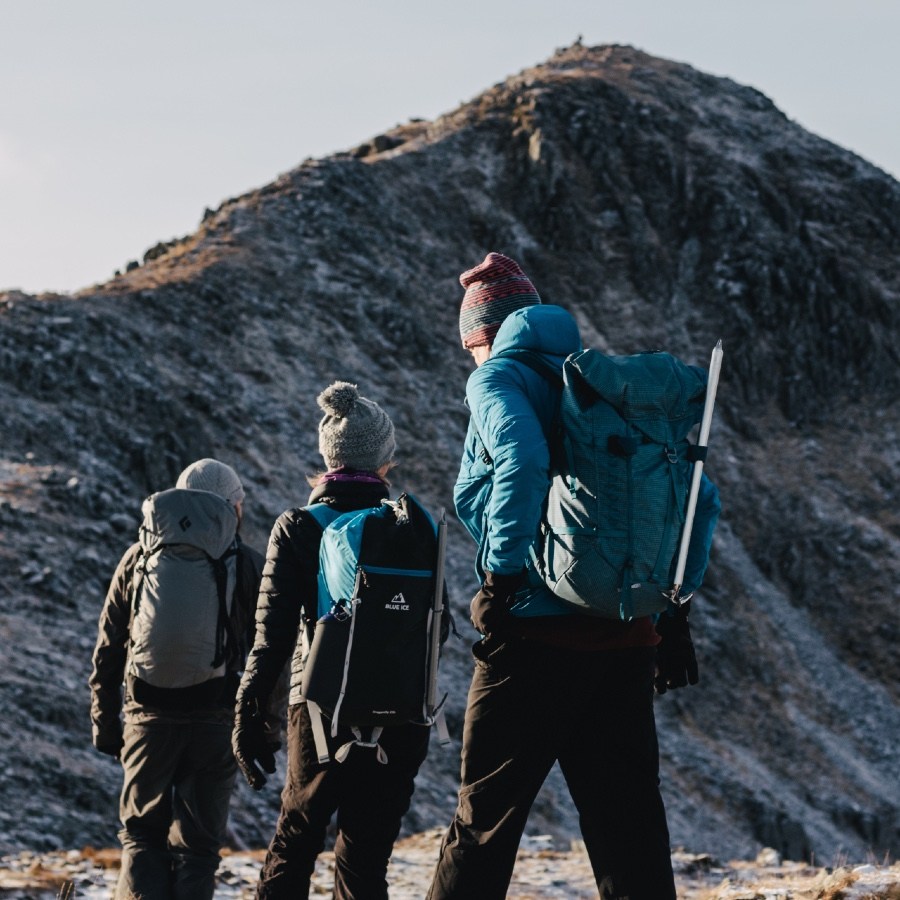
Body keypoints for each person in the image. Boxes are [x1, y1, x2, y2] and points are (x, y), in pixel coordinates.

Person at [427, 252, 721, 900]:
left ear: (482, 334)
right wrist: (674, 613)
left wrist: (500, 582)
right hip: (627, 640)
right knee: (631, 833)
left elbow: (523, 460)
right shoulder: (600, 388)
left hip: (534, 641)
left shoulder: (497, 378)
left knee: (484, 826)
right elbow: (699, 496)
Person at [232, 381, 432, 900]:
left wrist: (249, 712)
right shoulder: (413, 528)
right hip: (403, 714)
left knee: (296, 841)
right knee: (365, 859)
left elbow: (271, 636)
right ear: (385, 459)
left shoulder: (298, 526)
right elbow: (438, 626)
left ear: (328, 457)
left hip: (320, 708)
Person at [89, 458, 267, 900]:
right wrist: (262, 731)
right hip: (215, 720)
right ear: (233, 508)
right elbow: (269, 656)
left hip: (146, 718)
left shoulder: (139, 558)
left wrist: (106, 726)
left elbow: (109, 650)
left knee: (142, 839)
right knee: (198, 850)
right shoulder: (247, 564)